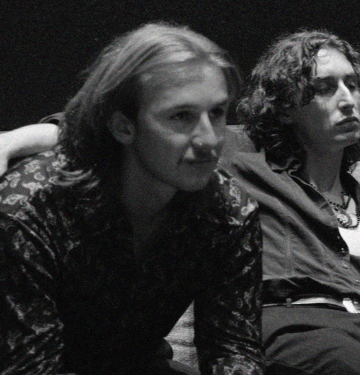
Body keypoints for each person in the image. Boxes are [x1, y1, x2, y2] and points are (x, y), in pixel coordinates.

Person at [0, 23, 264, 375]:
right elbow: (29, 367)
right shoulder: (30, 208)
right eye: (181, 116)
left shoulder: (229, 210)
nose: (210, 140)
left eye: (216, 113)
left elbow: (234, 348)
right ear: (122, 126)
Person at [229, 30, 360, 375]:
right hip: (296, 328)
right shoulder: (247, 176)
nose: (348, 100)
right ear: (285, 109)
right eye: (325, 88)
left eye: (353, 84)